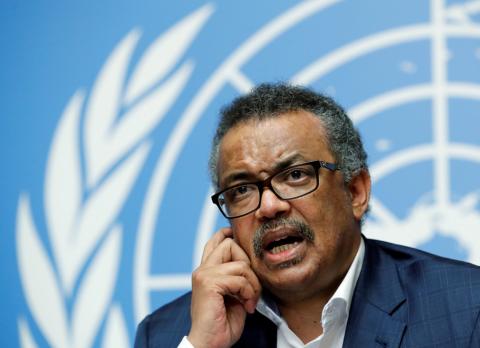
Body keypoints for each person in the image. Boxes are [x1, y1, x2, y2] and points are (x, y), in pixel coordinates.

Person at [134, 83, 480, 348]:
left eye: (295, 175)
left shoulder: (466, 308)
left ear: (355, 191)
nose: (269, 206)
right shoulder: (169, 333)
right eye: (241, 190)